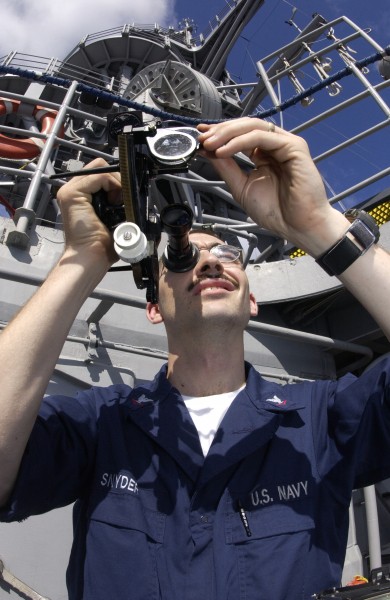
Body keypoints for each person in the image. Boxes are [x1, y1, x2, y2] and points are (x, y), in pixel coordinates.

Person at [0, 117, 390, 600]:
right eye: (181, 259)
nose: (207, 260)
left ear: (251, 301)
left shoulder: (322, 420)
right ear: (153, 307)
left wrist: (319, 224)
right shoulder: (102, 425)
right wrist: (81, 258)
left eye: (228, 253)